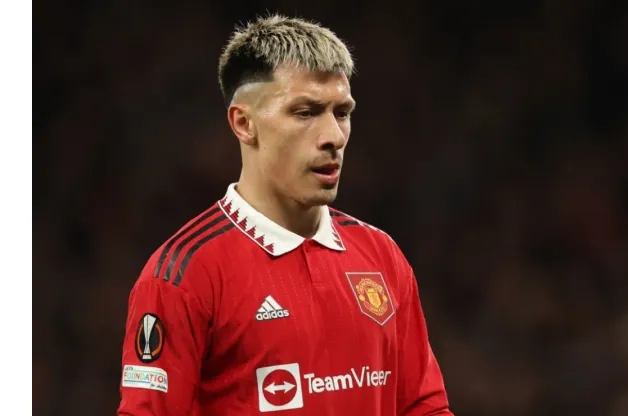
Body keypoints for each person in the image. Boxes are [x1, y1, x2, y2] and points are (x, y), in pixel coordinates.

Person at [117, 14, 452, 415]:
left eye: (341, 112)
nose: (334, 136)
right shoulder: (184, 276)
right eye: (306, 112)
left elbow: (422, 405)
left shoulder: (381, 255)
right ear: (244, 124)